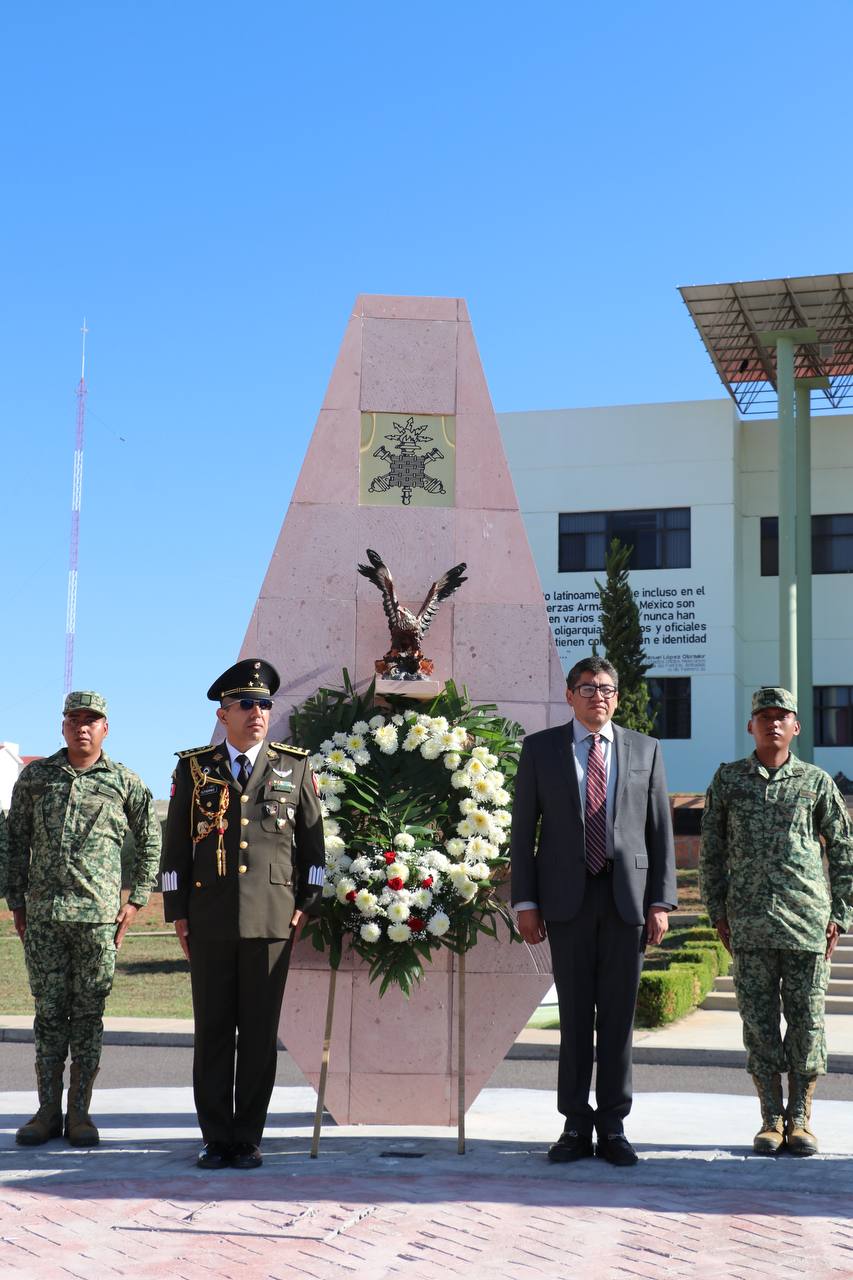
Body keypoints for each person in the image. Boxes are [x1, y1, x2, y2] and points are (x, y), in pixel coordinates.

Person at [511, 656, 676, 1167]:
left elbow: (660, 831)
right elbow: (523, 831)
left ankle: (614, 1126)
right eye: (586, 688)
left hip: (626, 900)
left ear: (617, 698)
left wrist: (660, 900)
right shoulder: (541, 750)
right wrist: (526, 901)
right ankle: (575, 1125)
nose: (597, 696)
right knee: (576, 1018)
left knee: (619, 1020)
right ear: (569, 696)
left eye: (606, 689)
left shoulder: (645, 749)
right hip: (567, 902)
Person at [162, 658, 325, 1171]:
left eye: (264, 704)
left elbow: (313, 845)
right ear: (223, 713)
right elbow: (175, 845)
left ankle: (248, 1137)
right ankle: (216, 1138)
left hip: (273, 919)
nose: (257, 713)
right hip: (208, 918)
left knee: (258, 1034)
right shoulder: (195, 768)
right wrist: (177, 910)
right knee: (213, 1031)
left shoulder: (294, 767)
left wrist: (307, 903)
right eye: (246, 704)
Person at [700, 686, 853, 1157]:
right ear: (750, 726)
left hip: (806, 923)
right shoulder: (729, 780)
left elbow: (843, 849)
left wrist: (840, 913)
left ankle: (800, 1118)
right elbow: (711, 852)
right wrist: (717, 911)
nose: (772, 723)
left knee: (807, 1024)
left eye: (781, 716)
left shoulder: (816, 781)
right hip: (749, 924)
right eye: (764, 716)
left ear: (795, 727)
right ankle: (770, 1118)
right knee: (759, 1025)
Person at [5, 691, 161, 1147]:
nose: (82, 727)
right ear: (63, 726)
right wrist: (17, 901)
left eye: (91, 720)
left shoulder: (124, 781)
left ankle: (79, 1114)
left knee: (89, 1017)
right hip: (45, 919)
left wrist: (137, 900)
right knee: (49, 1016)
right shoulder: (37, 777)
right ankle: (46, 1113)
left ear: (105, 729)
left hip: (97, 921)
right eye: (74, 719)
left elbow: (150, 841)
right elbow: (13, 840)